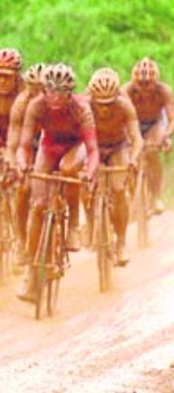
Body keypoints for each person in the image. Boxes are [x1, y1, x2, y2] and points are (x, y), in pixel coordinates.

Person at [16, 63, 99, 303]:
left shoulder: (81, 108)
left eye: (61, 92)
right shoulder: (36, 106)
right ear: (43, 90)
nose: (55, 97)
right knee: (38, 205)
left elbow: (92, 150)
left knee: (68, 169)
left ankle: (73, 224)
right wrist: (22, 164)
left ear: (70, 93)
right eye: (50, 91)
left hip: (76, 147)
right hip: (49, 147)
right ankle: (32, 272)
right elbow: (24, 145)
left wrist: (90, 172)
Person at [86, 68, 143, 265]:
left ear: (116, 98)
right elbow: (74, 137)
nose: (104, 109)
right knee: (86, 183)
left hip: (118, 147)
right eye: (99, 104)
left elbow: (137, 138)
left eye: (109, 104)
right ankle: (91, 223)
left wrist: (133, 159)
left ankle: (121, 242)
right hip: (93, 148)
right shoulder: (83, 106)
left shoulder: (125, 106)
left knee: (119, 190)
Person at [5, 63, 46, 267]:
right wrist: (15, 164)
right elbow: (14, 141)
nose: (38, 93)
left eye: (42, 89)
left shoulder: (56, 103)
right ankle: (21, 240)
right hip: (28, 145)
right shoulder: (21, 104)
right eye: (33, 88)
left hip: (48, 145)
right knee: (23, 189)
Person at [123, 57, 174, 216]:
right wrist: (126, 140)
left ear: (156, 82)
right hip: (134, 123)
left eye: (149, 86)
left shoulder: (164, 91)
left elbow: (172, 118)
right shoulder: (127, 90)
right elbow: (121, 120)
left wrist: (166, 137)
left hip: (156, 123)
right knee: (131, 156)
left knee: (152, 152)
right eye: (141, 86)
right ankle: (133, 195)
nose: (145, 91)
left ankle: (155, 196)